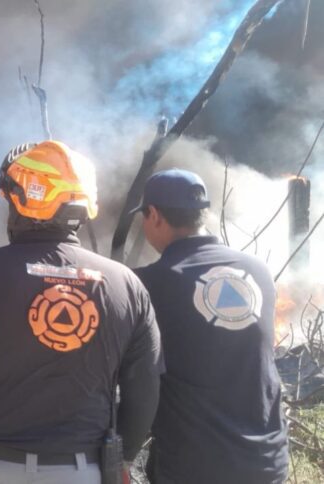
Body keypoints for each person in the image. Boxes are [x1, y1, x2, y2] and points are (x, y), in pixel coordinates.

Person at [0, 141, 164, 484]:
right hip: (81, 472)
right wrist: (124, 459)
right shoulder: (126, 285)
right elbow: (144, 384)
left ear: (23, 201)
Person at [133, 168, 288, 484]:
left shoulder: (150, 283)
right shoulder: (257, 271)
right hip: (266, 462)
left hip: (195, 466)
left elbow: (135, 374)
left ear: (154, 215)